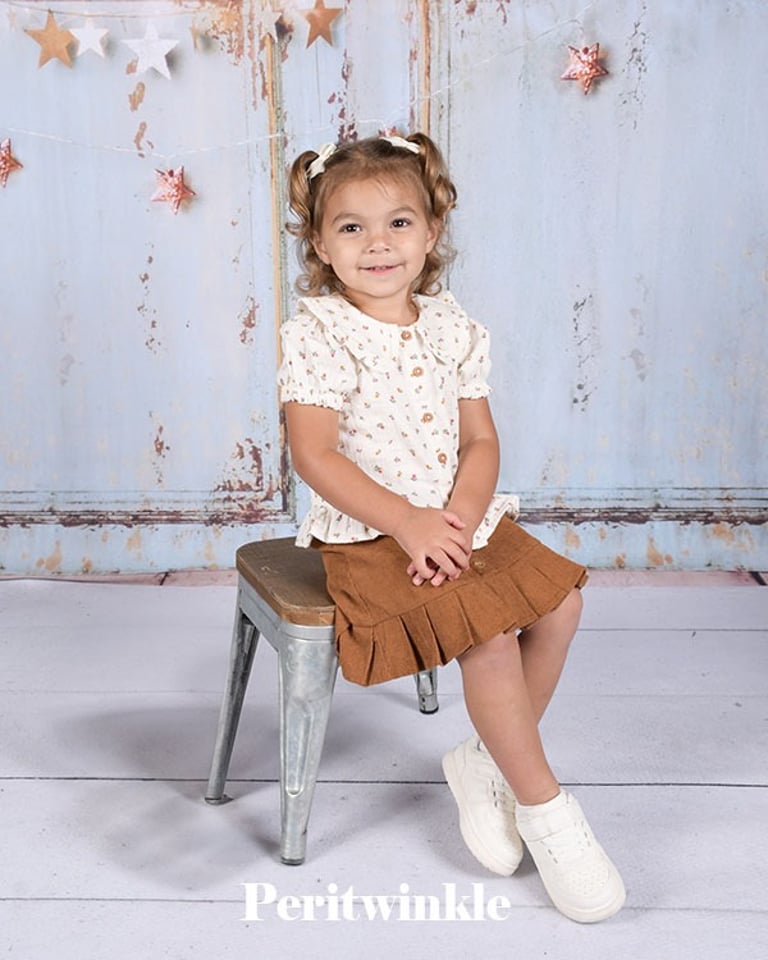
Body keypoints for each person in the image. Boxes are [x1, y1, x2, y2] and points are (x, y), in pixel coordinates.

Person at [277, 132, 625, 924]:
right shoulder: (319, 332)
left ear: (431, 232)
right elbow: (314, 454)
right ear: (321, 245)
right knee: (489, 638)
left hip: (456, 516)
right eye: (352, 227)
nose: (378, 244)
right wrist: (408, 523)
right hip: (371, 530)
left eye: (398, 223)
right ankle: (547, 810)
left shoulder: (452, 324)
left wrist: (459, 521)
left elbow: (480, 442)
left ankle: (484, 761)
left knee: (561, 606)